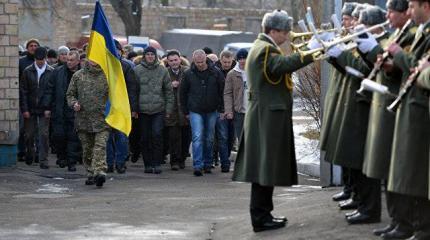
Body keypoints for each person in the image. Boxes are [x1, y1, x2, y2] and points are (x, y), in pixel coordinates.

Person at [232, 10, 315, 232]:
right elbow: (283, 66)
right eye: (284, 31)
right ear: (273, 30)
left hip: (265, 114)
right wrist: (312, 50)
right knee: (264, 169)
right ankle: (260, 217)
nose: (287, 35)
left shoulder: (262, 47)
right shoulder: (266, 49)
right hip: (266, 116)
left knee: (264, 169)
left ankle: (264, 214)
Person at [359, 0, 416, 238]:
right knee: (387, 170)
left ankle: (405, 223)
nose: (389, 15)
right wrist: (373, 55)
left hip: (398, 108)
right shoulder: (400, 33)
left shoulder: (411, 35)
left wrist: (377, 52)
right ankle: (396, 219)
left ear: (405, 14)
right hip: (385, 106)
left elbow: (407, 68)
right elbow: (389, 67)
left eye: (393, 11)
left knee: (397, 172)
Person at [386, 0, 430, 238]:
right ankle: (411, 224)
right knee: (409, 172)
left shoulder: (423, 32)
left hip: (420, 108)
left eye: (413, 6)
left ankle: (421, 227)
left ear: (426, 5)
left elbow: (417, 67)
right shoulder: (420, 31)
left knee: (417, 174)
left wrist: (400, 55)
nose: (410, 12)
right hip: (412, 106)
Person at [180, 49, 224, 176]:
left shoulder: (216, 72)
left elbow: (222, 91)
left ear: (206, 59)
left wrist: (221, 108)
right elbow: (182, 93)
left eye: (202, 61)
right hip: (195, 110)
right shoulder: (188, 74)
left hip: (212, 109)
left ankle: (207, 163)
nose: (200, 64)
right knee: (197, 137)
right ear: (194, 60)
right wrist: (185, 111)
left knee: (209, 138)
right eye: (197, 62)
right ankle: (198, 165)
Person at [66, 59, 110, 188]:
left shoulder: (107, 75)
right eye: (91, 58)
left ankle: (99, 172)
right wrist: (74, 103)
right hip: (83, 120)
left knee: (100, 146)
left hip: (102, 119)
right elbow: (70, 94)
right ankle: (91, 173)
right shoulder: (78, 75)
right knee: (87, 149)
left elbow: (117, 95)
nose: (94, 61)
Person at [134, 46, 174, 174]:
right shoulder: (137, 70)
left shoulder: (162, 70)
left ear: (155, 56)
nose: (150, 56)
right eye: (148, 54)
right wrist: (134, 109)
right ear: (144, 56)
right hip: (143, 110)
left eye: (152, 54)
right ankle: (148, 163)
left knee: (157, 135)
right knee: (145, 137)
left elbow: (168, 92)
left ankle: (157, 163)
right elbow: (133, 92)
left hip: (158, 109)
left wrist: (168, 110)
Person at [43, 50, 83, 172]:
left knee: (73, 138)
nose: (69, 63)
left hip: (76, 112)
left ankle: (71, 162)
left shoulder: (83, 74)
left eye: (72, 60)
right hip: (59, 110)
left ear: (78, 61)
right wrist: (47, 107)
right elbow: (49, 90)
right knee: (59, 136)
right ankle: (62, 157)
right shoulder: (58, 72)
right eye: (67, 60)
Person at [106, 40, 139, 174]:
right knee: (106, 137)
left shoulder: (126, 67)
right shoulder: (103, 66)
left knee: (121, 137)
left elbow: (132, 89)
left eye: (117, 50)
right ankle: (109, 163)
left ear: (121, 51)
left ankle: (120, 163)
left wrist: (132, 108)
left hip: (122, 108)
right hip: (107, 107)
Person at [19, 47, 54, 169]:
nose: (40, 62)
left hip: (45, 108)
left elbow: (51, 92)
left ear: (45, 58)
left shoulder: (51, 71)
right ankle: (30, 153)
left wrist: (48, 108)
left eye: (42, 59)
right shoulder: (27, 71)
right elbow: (23, 92)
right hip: (31, 107)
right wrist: (25, 109)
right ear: (35, 59)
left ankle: (43, 160)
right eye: (38, 60)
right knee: (29, 134)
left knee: (44, 134)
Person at [164, 50, 191, 171]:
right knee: (173, 137)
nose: (174, 62)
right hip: (172, 109)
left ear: (179, 59)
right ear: (168, 62)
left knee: (186, 136)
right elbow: (159, 87)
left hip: (185, 108)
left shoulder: (187, 71)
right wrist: (170, 85)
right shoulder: (164, 72)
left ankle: (182, 159)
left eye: (175, 60)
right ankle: (174, 161)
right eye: (171, 61)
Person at [18, 38, 40, 162]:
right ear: (27, 48)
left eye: (35, 45)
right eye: (31, 45)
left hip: (38, 101)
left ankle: (36, 154)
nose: (33, 47)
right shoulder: (21, 63)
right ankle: (22, 151)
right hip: (24, 99)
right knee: (23, 129)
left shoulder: (42, 62)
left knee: (38, 131)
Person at [213, 50, 236, 171]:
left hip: (235, 109)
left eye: (229, 62)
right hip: (220, 109)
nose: (226, 64)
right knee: (222, 136)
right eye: (224, 62)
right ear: (220, 60)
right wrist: (220, 109)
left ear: (232, 60)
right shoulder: (215, 71)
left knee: (231, 137)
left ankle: (225, 157)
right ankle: (225, 163)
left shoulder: (237, 71)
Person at [224, 48, 248, 159]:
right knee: (241, 137)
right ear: (237, 60)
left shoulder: (255, 71)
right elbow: (228, 93)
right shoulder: (232, 74)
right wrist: (229, 110)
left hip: (254, 110)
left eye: (245, 58)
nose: (242, 61)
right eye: (240, 59)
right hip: (239, 111)